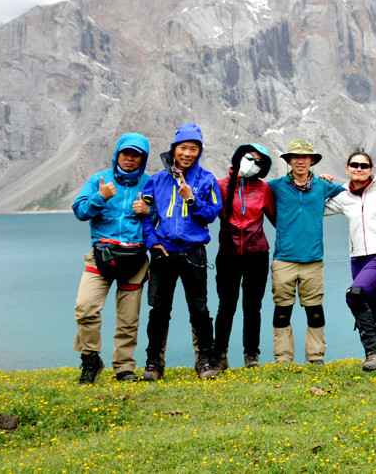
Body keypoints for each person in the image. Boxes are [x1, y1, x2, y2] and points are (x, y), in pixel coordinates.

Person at [139, 123, 223, 381]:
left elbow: (212, 213)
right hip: (163, 253)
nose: (187, 153)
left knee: (199, 309)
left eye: (193, 149)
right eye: (183, 148)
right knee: (159, 309)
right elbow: (146, 214)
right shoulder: (157, 180)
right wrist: (152, 241)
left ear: (199, 152)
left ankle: (204, 361)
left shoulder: (207, 180)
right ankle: (154, 362)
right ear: (174, 149)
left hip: (193, 252)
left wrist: (191, 198)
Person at [71, 132, 152, 385]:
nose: (130, 159)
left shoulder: (150, 184)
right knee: (85, 308)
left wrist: (149, 211)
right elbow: (80, 211)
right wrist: (101, 197)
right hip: (101, 256)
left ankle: (124, 367)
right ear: (117, 154)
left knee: (129, 318)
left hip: (135, 257)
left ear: (143, 159)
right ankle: (90, 359)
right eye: (126, 153)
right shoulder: (99, 180)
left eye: (136, 155)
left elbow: (163, 220)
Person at [266, 139, 346, 364]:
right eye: (295, 157)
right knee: (282, 309)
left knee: (315, 310)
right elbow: (256, 196)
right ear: (289, 161)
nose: (300, 161)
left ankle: (315, 357)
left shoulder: (323, 186)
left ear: (312, 161)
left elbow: (353, 191)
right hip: (284, 259)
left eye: (305, 157)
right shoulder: (276, 185)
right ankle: (283, 359)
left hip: (313, 259)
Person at [324, 151, 376, 371]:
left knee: (354, 295)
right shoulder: (342, 196)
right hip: (356, 257)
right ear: (347, 168)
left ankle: (373, 352)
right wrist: (321, 184)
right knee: (370, 302)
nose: (359, 168)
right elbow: (315, 208)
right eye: (354, 165)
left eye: (364, 165)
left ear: (371, 169)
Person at [213, 144, 276, 371]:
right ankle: (219, 354)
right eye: (250, 158)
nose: (253, 163)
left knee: (252, 307)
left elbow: (276, 219)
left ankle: (252, 355)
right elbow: (205, 212)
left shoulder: (264, 189)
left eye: (259, 162)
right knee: (226, 307)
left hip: (257, 254)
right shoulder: (220, 186)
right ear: (239, 157)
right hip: (228, 254)